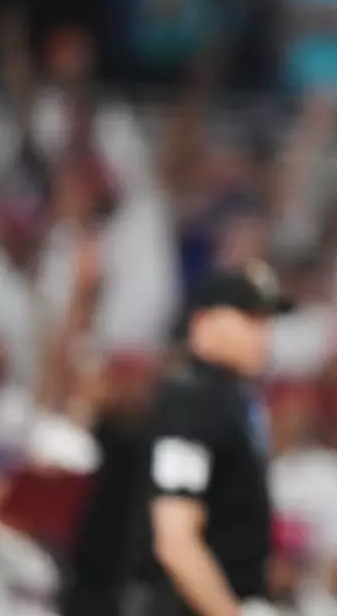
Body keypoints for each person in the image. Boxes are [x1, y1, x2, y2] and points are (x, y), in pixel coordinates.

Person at [123, 262, 290, 616]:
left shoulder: (233, 400)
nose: (263, 334)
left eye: (267, 321)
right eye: (248, 318)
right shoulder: (193, 400)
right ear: (203, 323)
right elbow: (175, 538)